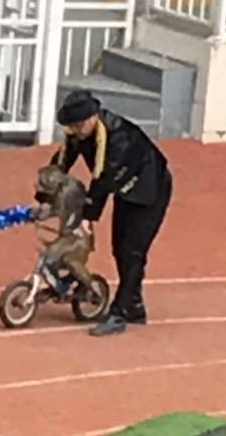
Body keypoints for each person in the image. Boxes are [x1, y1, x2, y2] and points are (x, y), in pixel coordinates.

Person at [53, 90, 172, 336]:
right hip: (125, 189)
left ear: (93, 117)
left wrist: (87, 216)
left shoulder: (117, 137)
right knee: (120, 248)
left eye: (78, 124)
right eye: (71, 125)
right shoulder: (79, 135)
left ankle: (119, 313)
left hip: (150, 188)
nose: (74, 130)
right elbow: (61, 163)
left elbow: (104, 181)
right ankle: (135, 304)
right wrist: (45, 195)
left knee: (133, 250)